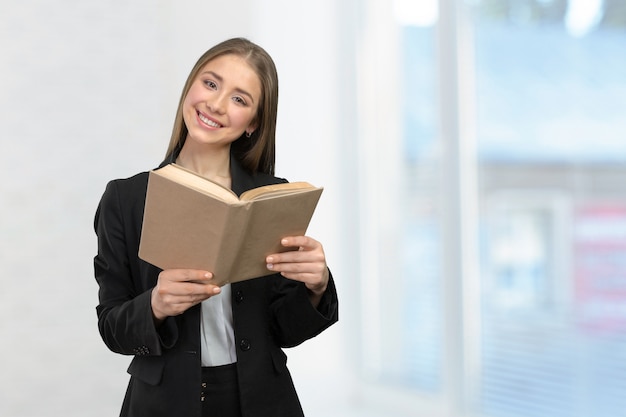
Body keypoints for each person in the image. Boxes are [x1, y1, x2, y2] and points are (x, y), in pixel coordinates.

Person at [93, 37, 339, 417]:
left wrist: (316, 287)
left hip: (262, 400)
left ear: (253, 123)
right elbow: (112, 327)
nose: (216, 104)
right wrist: (155, 306)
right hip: (163, 404)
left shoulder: (270, 197)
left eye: (240, 99)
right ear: (191, 86)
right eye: (210, 83)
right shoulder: (125, 199)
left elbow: (287, 331)